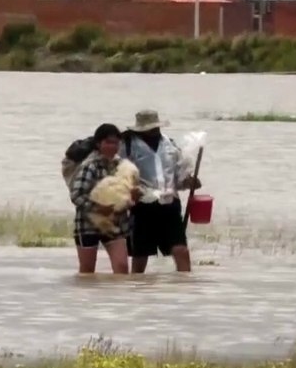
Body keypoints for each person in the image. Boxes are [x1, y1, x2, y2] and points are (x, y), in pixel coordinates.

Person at [120, 109, 201, 274]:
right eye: (150, 129)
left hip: (170, 205)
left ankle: (185, 286)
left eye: (155, 128)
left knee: (181, 251)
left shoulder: (170, 145)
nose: (154, 132)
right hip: (143, 206)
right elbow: (119, 175)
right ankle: (137, 288)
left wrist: (189, 182)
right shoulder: (127, 146)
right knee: (140, 255)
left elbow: (178, 178)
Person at [68, 123, 136, 275]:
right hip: (88, 224)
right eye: (108, 142)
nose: (112, 146)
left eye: (115, 143)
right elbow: (76, 195)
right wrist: (98, 208)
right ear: (98, 144)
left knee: (122, 268)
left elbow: (127, 192)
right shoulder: (90, 166)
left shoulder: (123, 166)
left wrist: (133, 197)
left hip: (115, 224)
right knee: (87, 272)